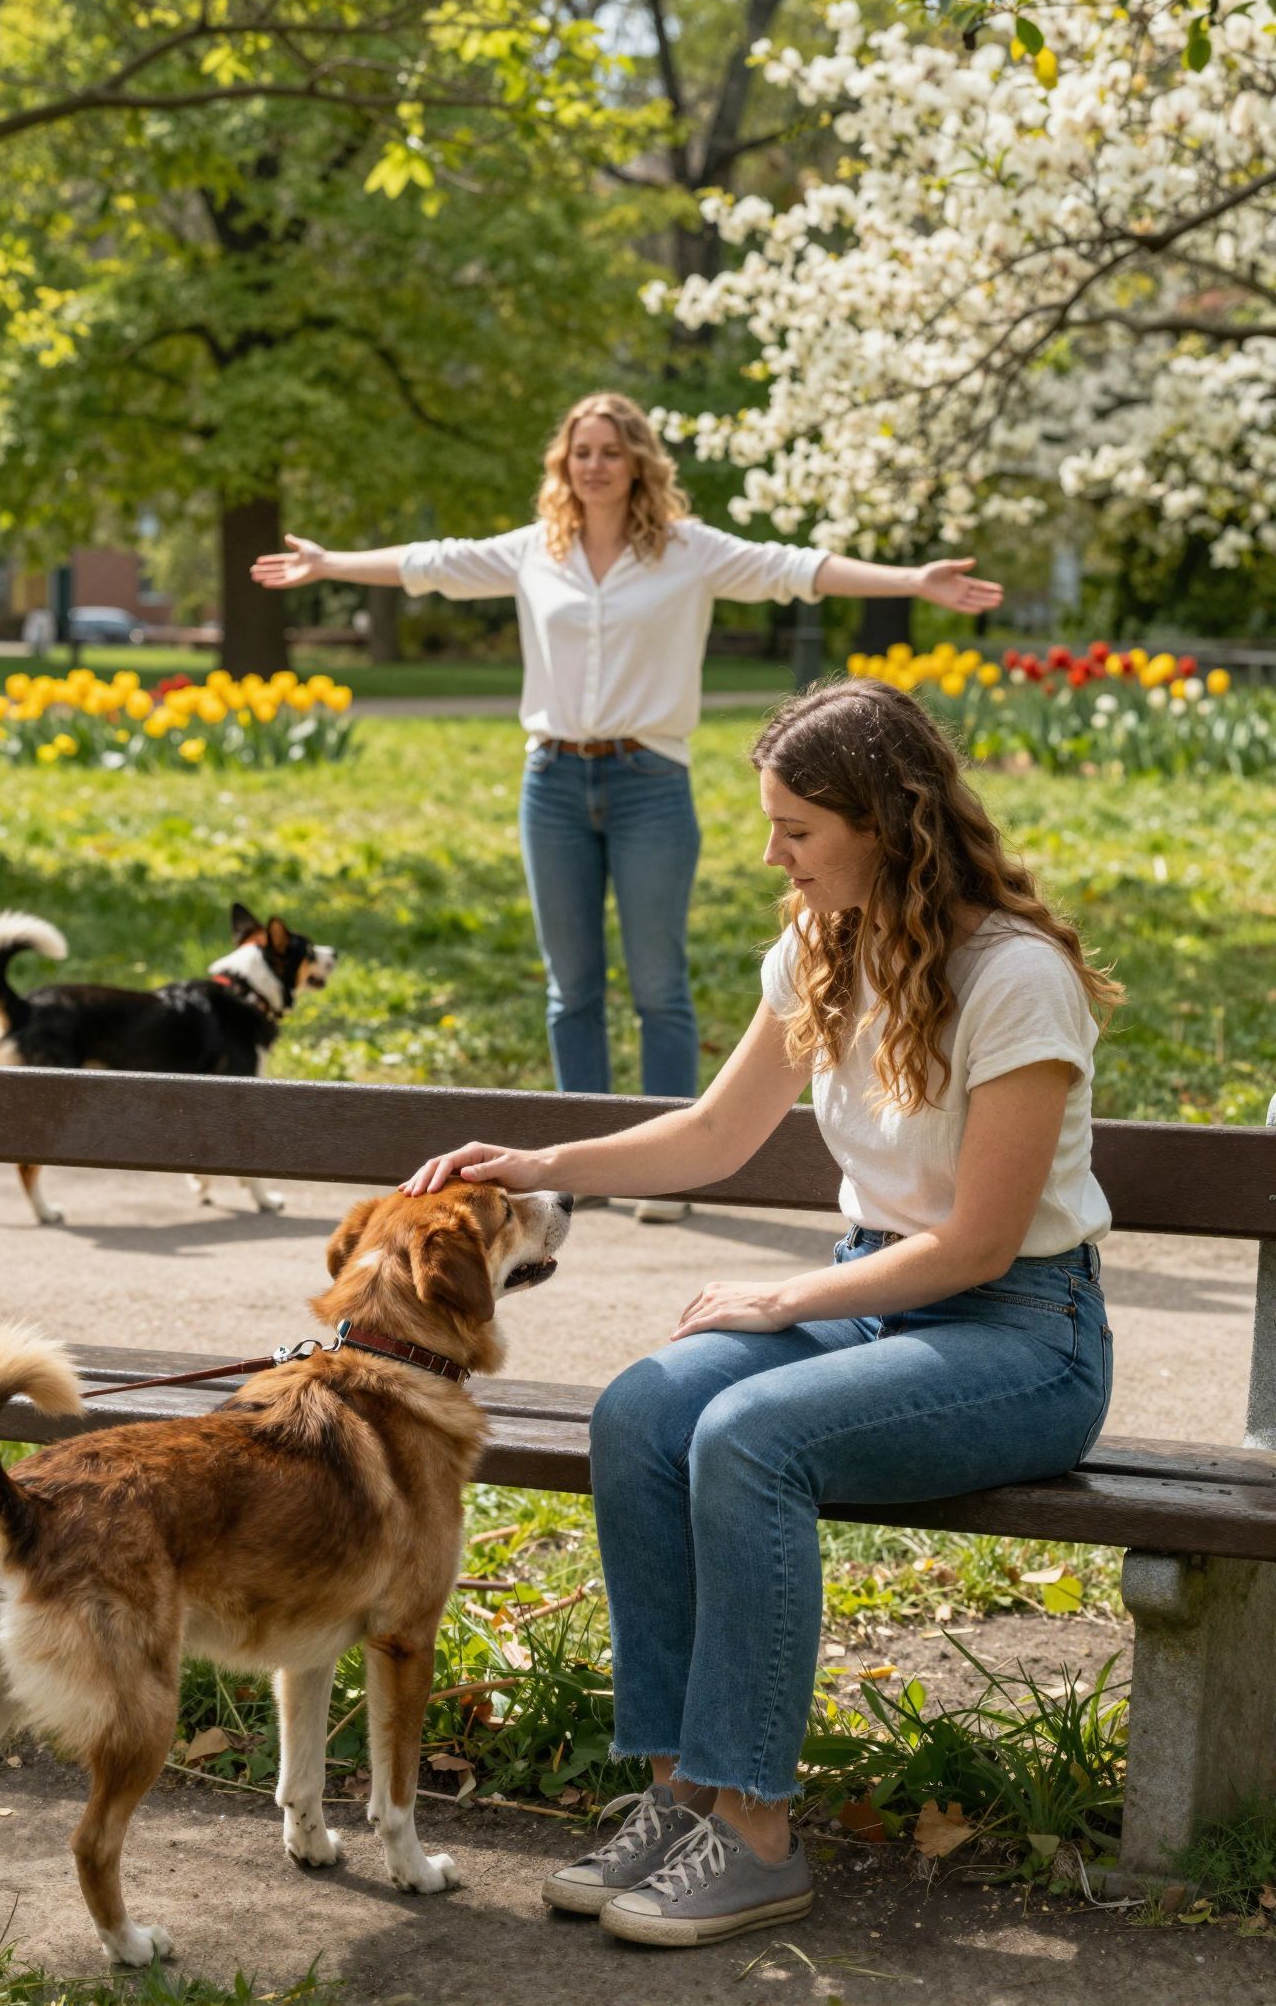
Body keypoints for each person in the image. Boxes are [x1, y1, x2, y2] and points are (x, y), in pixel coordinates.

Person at [402, 678, 1120, 1947]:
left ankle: (759, 1832)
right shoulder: (821, 946)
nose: (772, 851)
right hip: (882, 1301)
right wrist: (533, 1163)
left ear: (886, 823)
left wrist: (785, 1293)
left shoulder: (1016, 978)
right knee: (643, 1406)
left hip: (1021, 1334)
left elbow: (981, 1241)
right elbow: (715, 1132)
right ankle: (681, 1791)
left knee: (748, 1432)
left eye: (796, 829)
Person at [252, 391, 1001, 1223]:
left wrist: (911, 581)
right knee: (570, 987)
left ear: (639, 461)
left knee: (658, 983)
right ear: (563, 465)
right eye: (581, 451)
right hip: (554, 783)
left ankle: (667, 1170)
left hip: (651, 782)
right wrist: (331, 564)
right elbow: (436, 562)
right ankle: (580, 1166)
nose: (595, 465)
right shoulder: (538, 551)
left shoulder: (688, 551)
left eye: (611, 450)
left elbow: (795, 570)